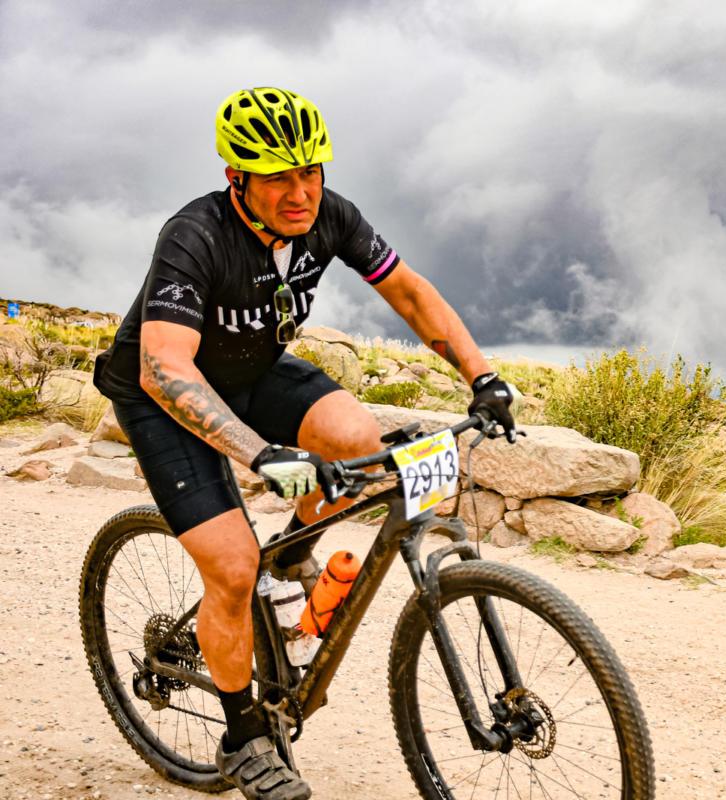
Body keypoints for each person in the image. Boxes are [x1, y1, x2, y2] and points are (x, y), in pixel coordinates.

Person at [93, 86, 517, 800]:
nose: (300, 193)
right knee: (232, 568)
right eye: (278, 178)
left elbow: (410, 294)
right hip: (162, 393)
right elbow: (164, 366)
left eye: (310, 171)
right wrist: (260, 455)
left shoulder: (331, 215)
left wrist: (484, 376)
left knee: (358, 443)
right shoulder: (195, 235)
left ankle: (287, 561)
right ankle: (242, 737)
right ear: (237, 178)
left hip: (252, 371)